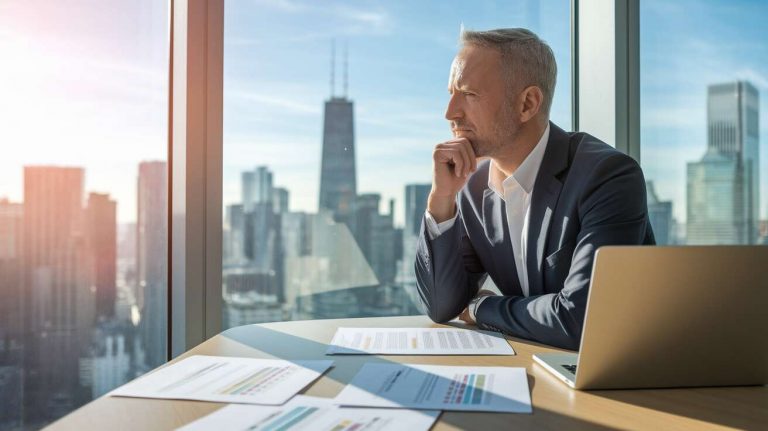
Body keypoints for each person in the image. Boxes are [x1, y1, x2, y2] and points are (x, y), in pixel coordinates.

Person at [414, 28, 655, 350]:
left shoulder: (607, 176)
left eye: (469, 94)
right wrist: (441, 199)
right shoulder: (472, 188)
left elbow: (582, 320)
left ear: (527, 103)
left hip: (623, 368)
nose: (450, 113)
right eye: (451, 93)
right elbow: (441, 306)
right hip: (539, 359)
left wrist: (482, 307)